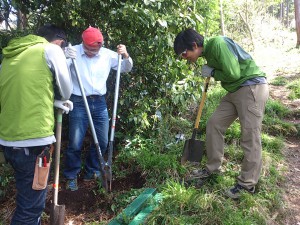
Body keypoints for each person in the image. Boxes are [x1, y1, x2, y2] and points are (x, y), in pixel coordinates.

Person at [174, 28, 269, 199]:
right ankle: (213, 168)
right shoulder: (208, 52)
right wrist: (211, 69)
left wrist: (212, 72)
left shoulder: (218, 44)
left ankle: (247, 185)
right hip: (235, 90)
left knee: (250, 136)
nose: (184, 58)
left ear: (194, 45)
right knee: (214, 124)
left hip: (251, 88)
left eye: (184, 53)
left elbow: (233, 73)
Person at [0, 24, 73, 225]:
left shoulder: (10, 55)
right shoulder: (51, 50)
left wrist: (53, 102)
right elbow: (67, 91)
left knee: (27, 198)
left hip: (8, 142)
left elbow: (24, 93)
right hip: (32, 143)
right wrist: (65, 62)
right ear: (58, 41)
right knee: (30, 211)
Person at [63, 26, 133, 191]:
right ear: (83, 43)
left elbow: (125, 68)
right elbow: (59, 72)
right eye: (88, 49)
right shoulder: (72, 52)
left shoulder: (108, 55)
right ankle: (71, 176)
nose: (92, 52)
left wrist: (126, 55)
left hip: (99, 102)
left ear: (101, 46)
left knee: (102, 141)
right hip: (78, 101)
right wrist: (64, 57)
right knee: (75, 142)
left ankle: (91, 170)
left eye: (95, 50)